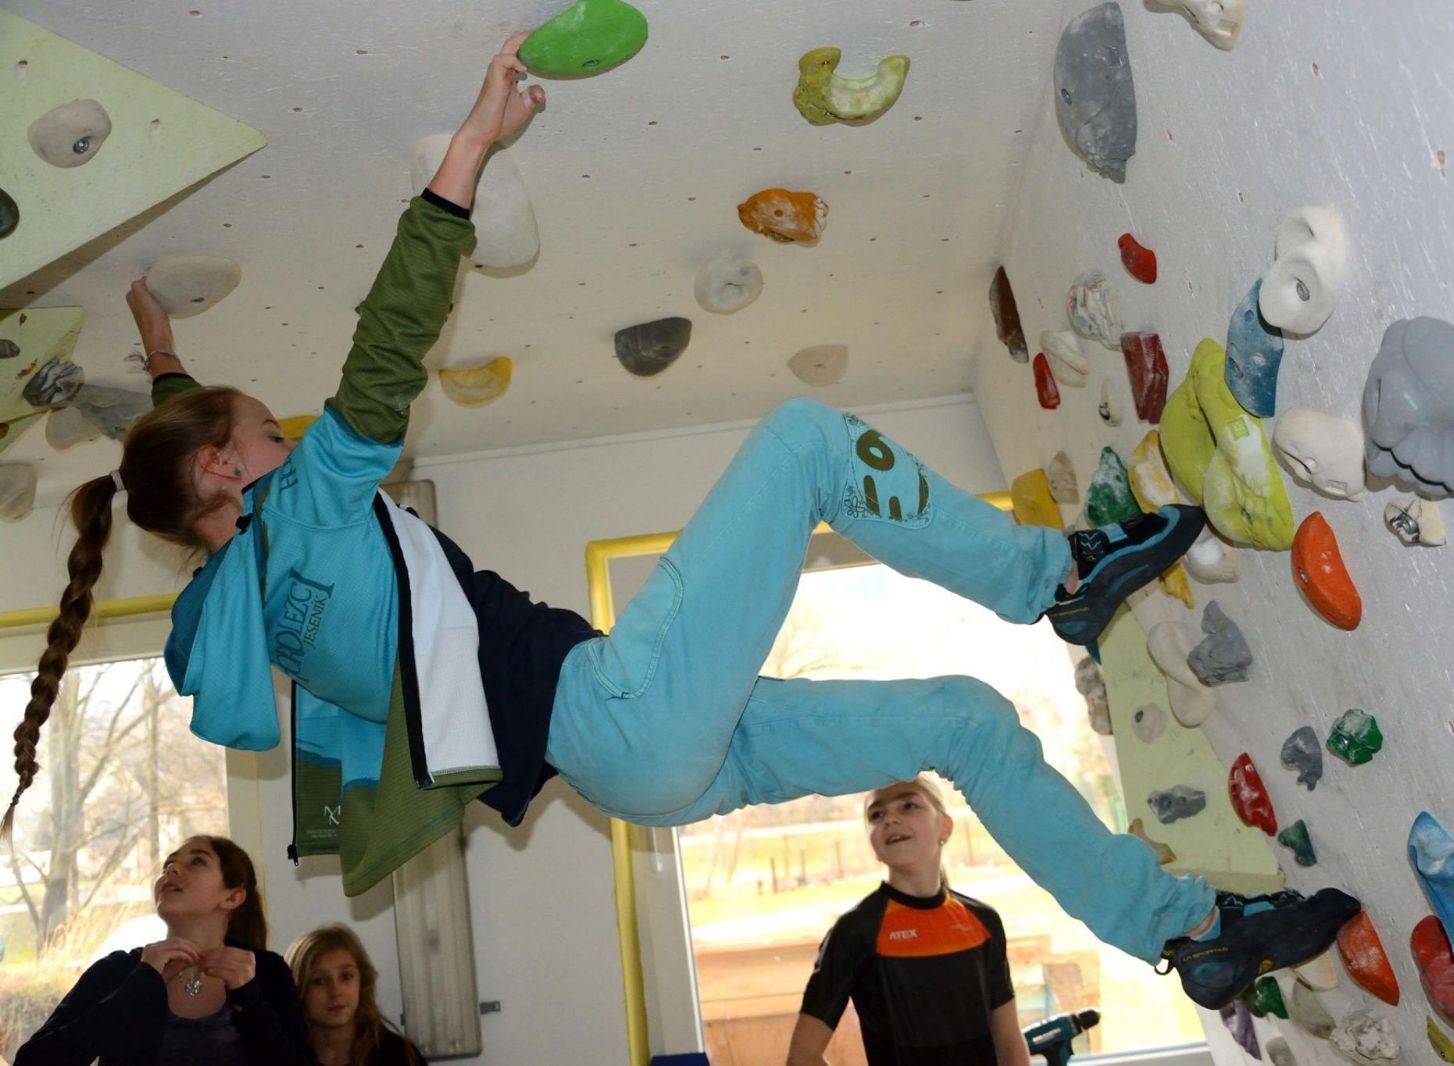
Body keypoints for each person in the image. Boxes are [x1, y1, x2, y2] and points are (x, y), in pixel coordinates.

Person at [3, 34, 1357, 1010]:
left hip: (637, 769)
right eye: (262, 433)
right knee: (805, 440)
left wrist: (163, 353)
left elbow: (193, 475)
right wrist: (470, 146)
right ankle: (1052, 577)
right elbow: (387, 343)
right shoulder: (307, 506)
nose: (288, 438)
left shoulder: (243, 604)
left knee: (964, 721)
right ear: (233, 474)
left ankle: (1183, 928)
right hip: (612, 711)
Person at [787, 777, 1030, 1065]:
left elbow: (1009, 1042)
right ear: (873, 844)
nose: (890, 819)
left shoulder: (983, 922)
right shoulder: (855, 932)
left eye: (908, 806)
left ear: (945, 826)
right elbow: (802, 1057)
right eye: (877, 814)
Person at [15, 835, 314, 1064]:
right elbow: (34, 1061)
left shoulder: (266, 972)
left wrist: (250, 998)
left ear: (233, 897)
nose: (172, 869)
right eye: (168, 865)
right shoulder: (119, 971)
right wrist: (141, 985)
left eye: (196, 862)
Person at [285, 925, 425, 1066]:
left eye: (346, 977)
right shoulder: (282, 1055)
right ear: (298, 989)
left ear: (362, 982)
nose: (335, 992)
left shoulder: (397, 1055)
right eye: (319, 981)